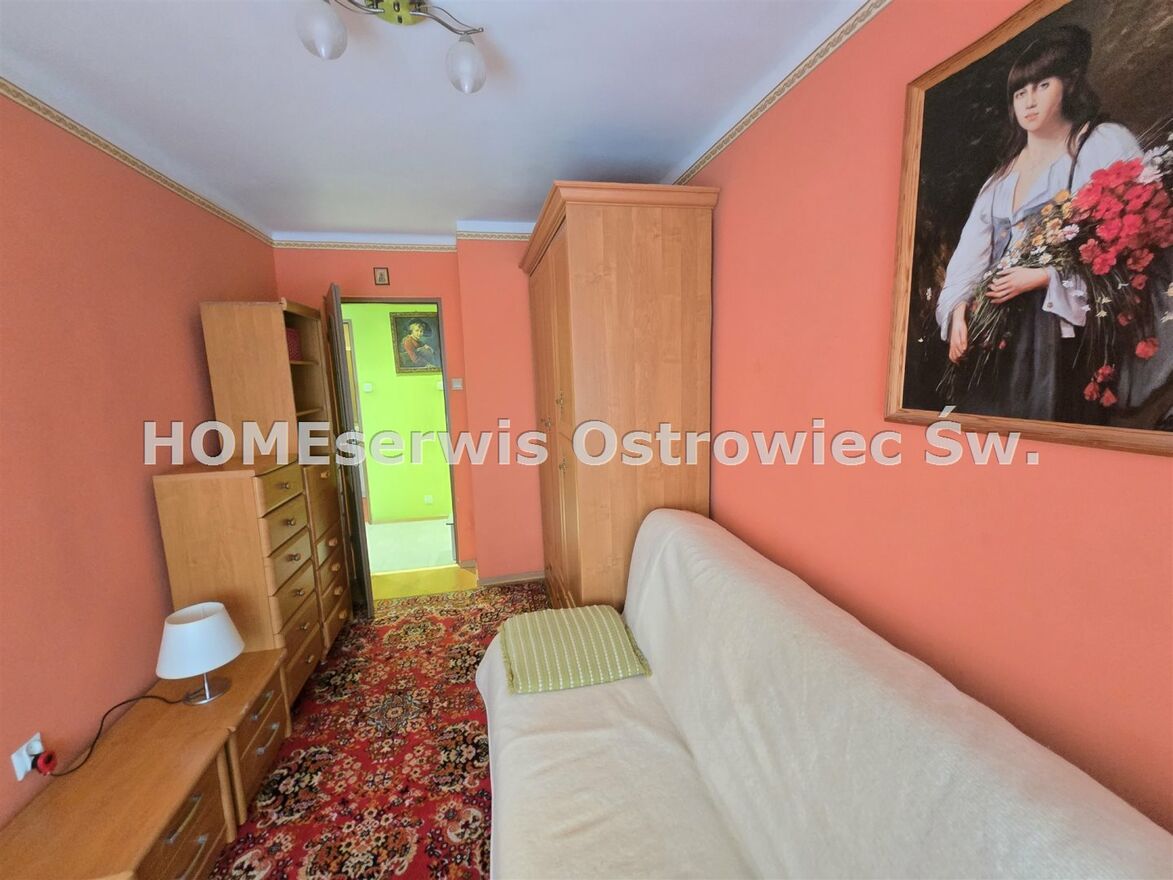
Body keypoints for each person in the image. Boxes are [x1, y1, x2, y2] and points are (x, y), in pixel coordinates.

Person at [934, 25, 1143, 422]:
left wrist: (1044, 277)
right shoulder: (1000, 180)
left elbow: (1130, 248)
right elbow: (970, 256)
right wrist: (959, 310)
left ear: (1069, 85)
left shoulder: (1099, 144)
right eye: (1020, 93)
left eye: (1042, 86)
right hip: (999, 332)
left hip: (1063, 332)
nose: (1029, 102)